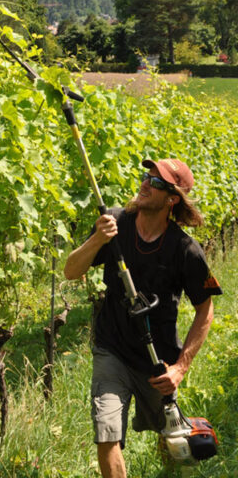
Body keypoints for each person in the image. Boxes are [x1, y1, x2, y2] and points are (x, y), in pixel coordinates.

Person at [64, 158, 222, 478]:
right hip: (112, 349)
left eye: (157, 183)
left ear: (172, 199)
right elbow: (70, 271)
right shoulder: (115, 222)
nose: (146, 184)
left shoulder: (185, 249)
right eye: (146, 177)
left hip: (156, 362)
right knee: (106, 434)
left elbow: (205, 309)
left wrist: (180, 368)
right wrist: (98, 238)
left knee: (172, 441)